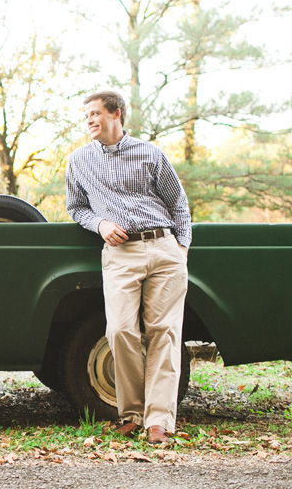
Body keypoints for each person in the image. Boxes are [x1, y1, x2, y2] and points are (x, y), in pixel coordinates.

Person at [64, 90, 192, 445]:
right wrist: (101, 224)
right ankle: (132, 415)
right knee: (120, 331)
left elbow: (178, 205)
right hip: (121, 254)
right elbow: (76, 208)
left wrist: (180, 249)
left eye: (95, 113)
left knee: (163, 332)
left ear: (116, 114)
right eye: (86, 115)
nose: (89, 120)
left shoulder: (150, 153)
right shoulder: (78, 161)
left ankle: (159, 422)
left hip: (164, 248)